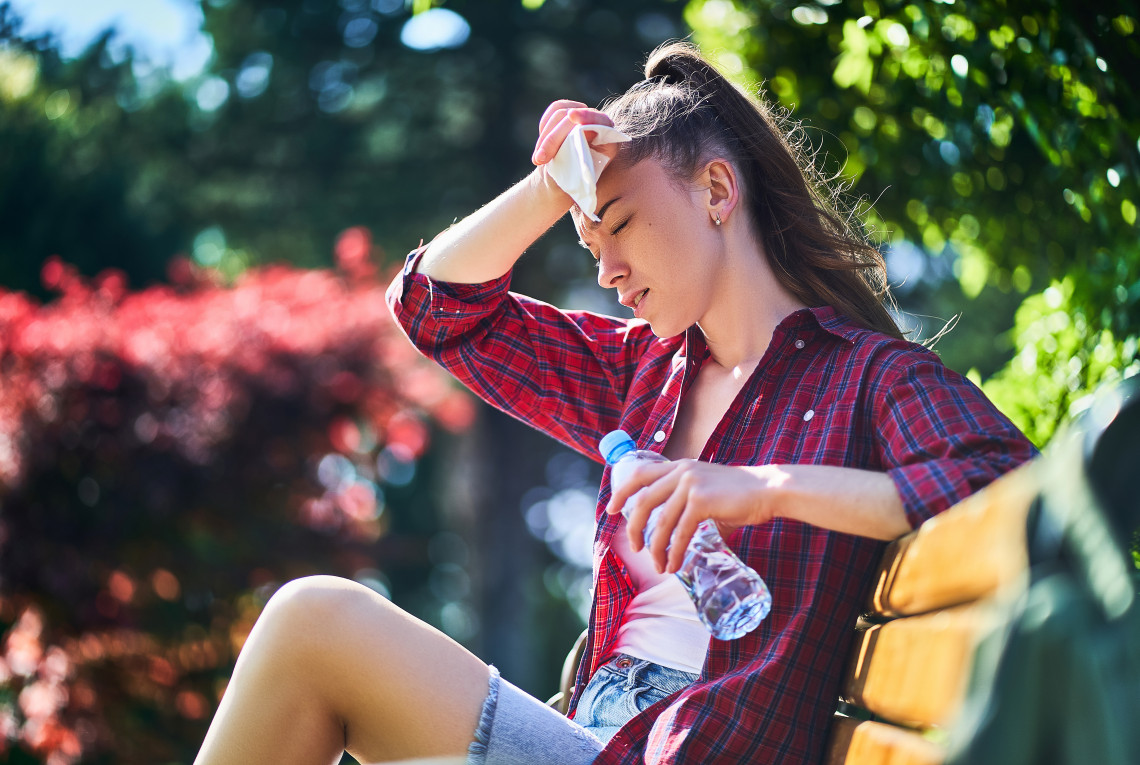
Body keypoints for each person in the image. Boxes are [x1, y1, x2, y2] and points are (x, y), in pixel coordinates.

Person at [194, 42, 1036, 765]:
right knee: (308, 632)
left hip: (683, 744)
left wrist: (765, 488)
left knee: (314, 621)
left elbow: (1012, 491)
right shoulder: (645, 378)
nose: (605, 271)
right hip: (596, 732)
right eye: (588, 240)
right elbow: (436, 310)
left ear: (715, 191)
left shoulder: (867, 379)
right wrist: (552, 187)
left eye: (621, 224)